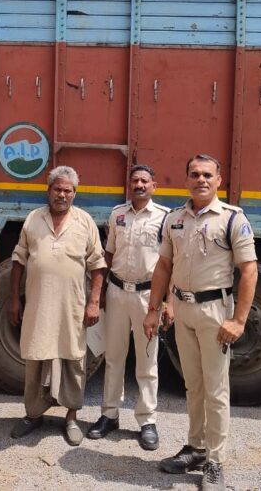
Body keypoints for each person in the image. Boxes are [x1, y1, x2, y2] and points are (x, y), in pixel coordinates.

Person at [142, 154, 258, 491]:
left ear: (219, 180)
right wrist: (154, 308)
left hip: (215, 313)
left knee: (216, 389)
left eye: (208, 174)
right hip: (183, 309)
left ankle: (215, 461)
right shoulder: (174, 219)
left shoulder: (232, 218)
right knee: (193, 385)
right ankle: (195, 448)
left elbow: (249, 269)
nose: (201, 180)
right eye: (194, 174)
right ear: (186, 180)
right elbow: (164, 266)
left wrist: (239, 320)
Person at [7, 166, 107, 446]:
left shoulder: (84, 221)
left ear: (74, 193)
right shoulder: (33, 219)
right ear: (48, 191)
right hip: (38, 306)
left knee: (74, 359)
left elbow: (97, 265)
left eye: (67, 190)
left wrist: (94, 302)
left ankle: (71, 417)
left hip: (72, 307)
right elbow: (18, 261)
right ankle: (33, 414)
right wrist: (13, 299)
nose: (61, 195)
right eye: (57, 189)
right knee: (35, 358)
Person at [87, 164, 170, 450]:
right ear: (129, 184)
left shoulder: (164, 218)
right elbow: (108, 253)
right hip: (117, 291)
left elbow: (169, 263)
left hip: (148, 297)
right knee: (114, 356)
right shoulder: (117, 214)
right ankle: (109, 415)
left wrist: (167, 303)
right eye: (135, 180)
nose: (139, 185)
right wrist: (100, 293)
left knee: (147, 360)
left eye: (145, 181)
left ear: (154, 186)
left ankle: (147, 421)